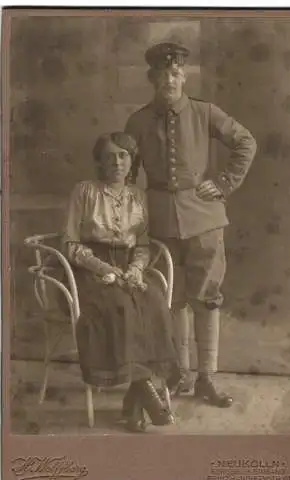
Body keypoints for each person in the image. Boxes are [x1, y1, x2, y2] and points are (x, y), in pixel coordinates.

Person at [125, 42, 257, 407]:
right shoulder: (137, 121)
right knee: (173, 300)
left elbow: (245, 142)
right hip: (160, 223)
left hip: (204, 219)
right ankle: (179, 375)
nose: (169, 79)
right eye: (162, 74)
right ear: (152, 79)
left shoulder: (204, 112)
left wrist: (225, 182)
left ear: (183, 76)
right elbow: (127, 175)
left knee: (207, 298)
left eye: (175, 73)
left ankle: (207, 379)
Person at [62, 131, 180, 432]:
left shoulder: (137, 196)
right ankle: (144, 393)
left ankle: (133, 404)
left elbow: (141, 244)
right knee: (118, 305)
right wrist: (102, 268)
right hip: (89, 269)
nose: (117, 162)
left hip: (128, 268)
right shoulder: (84, 191)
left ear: (131, 161)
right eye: (110, 155)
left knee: (152, 300)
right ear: (100, 161)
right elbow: (72, 245)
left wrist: (138, 269)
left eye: (123, 155)